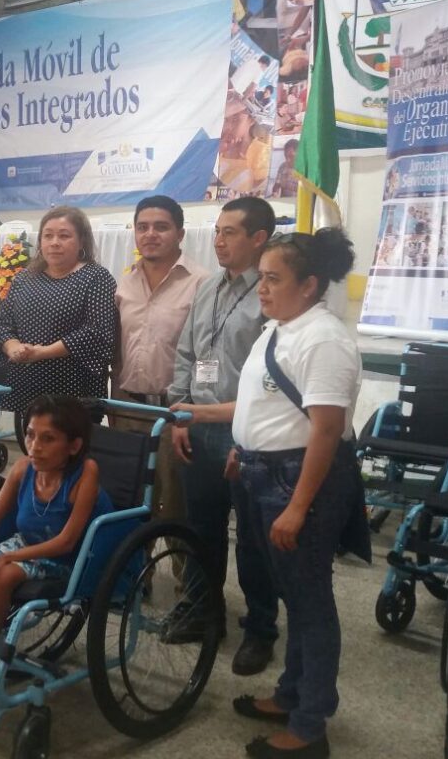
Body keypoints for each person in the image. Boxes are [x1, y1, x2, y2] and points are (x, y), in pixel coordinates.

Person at [176, 228, 367, 759]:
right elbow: (258, 405)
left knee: (310, 603)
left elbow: (326, 430)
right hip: (262, 472)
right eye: (261, 277)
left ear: (309, 285)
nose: (261, 288)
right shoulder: (278, 330)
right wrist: (223, 430)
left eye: (273, 279)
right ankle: (290, 695)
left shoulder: (323, 339)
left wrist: (300, 507)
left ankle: (309, 728)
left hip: (298, 481)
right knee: (293, 595)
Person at [168, 196, 280, 675]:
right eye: (216, 231)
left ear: (259, 239)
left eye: (229, 232)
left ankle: (260, 628)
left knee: (254, 539)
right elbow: (187, 352)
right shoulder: (210, 286)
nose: (218, 240)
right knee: (201, 528)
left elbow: (272, 377)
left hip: (246, 433)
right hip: (198, 428)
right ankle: (203, 611)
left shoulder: (274, 294)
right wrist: (178, 414)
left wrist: (245, 438)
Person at [0, 395, 110, 714]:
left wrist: (8, 558)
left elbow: (67, 542)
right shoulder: (24, 468)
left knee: (5, 576)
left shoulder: (86, 473)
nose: (34, 446)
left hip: (66, 559)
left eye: (47, 438)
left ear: (74, 445)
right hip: (23, 545)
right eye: (30, 435)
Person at [113, 195, 207, 529]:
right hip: (127, 411)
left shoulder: (201, 284)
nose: (150, 234)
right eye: (143, 227)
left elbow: (206, 355)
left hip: (175, 416)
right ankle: (139, 579)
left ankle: (187, 582)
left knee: (176, 509)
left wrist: (188, 414)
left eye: (161, 227)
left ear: (180, 234)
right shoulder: (124, 282)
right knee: (130, 502)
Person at [0, 206, 116, 416]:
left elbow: (98, 331)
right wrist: (14, 347)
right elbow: (1, 324)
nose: (54, 242)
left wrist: (43, 353)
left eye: (64, 236)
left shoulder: (96, 277)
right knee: (32, 444)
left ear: (82, 241)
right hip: (26, 383)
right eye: (48, 236)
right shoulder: (24, 278)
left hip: (74, 388)